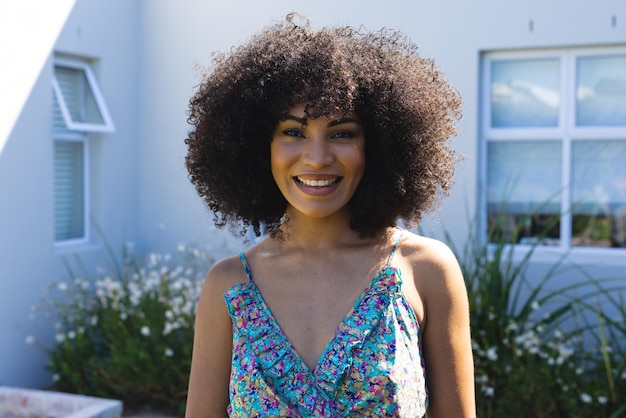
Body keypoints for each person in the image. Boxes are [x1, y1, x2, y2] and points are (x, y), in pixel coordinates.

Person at [184, 13, 475, 418]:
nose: (318, 158)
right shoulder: (229, 285)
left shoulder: (425, 270)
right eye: (293, 132)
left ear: (376, 144)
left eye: (342, 133)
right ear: (257, 146)